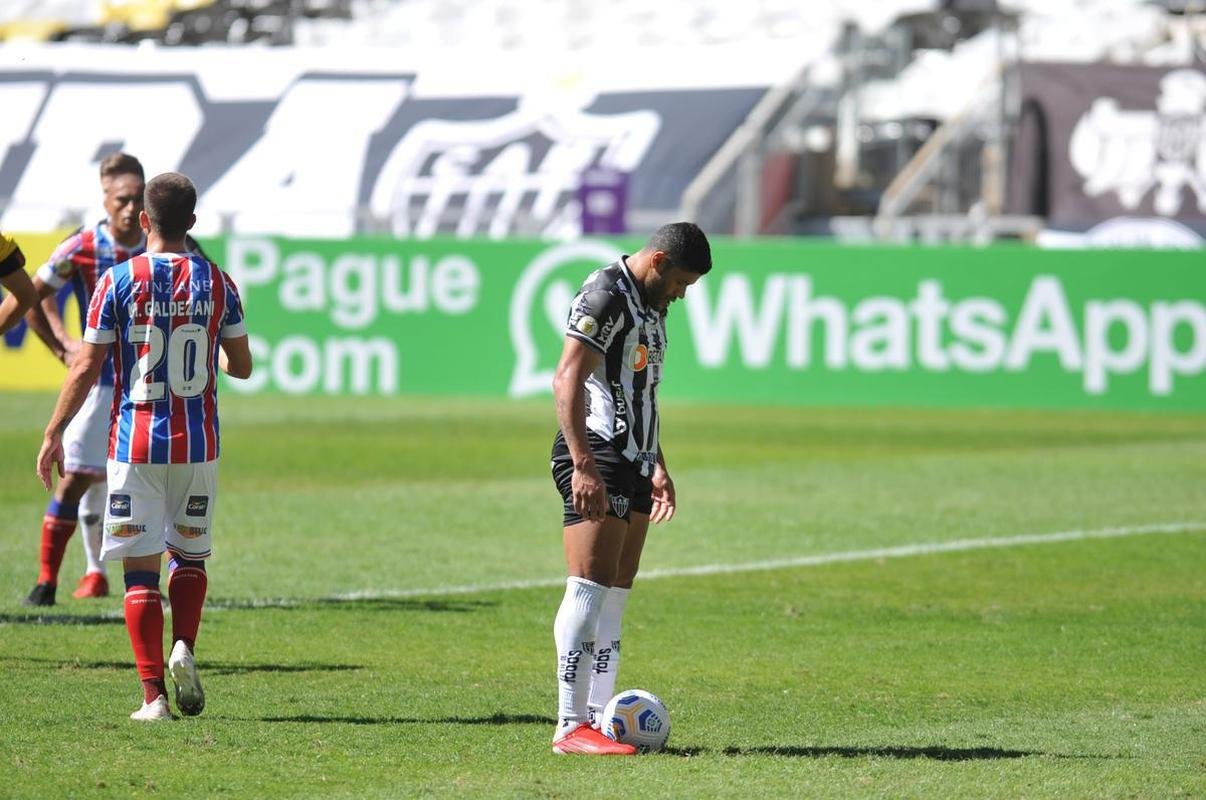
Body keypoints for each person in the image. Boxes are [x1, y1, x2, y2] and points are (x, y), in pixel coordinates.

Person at [36, 171, 252, 722]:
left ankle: (153, 697)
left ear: (147, 222)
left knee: (139, 572)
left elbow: (86, 366)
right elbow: (242, 365)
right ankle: (185, 646)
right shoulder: (220, 282)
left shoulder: (116, 280)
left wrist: (54, 429)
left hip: (135, 445)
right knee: (191, 554)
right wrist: (212, 353)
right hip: (198, 445)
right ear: (194, 222)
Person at [548, 221, 711, 755]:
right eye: (682, 282)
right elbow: (568, 377)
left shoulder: (652, 304)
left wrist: (657, 462)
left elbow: (640, 389)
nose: (683, 295)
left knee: (617, 589)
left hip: (636, 459)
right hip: (597, 452)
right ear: (659, 261)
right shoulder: (605, 295)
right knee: (589, 585)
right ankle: (570, 726)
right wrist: (582, 465)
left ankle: (599, 713)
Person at [23, 153, 208, 605]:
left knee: (156, 487)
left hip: (153, 392)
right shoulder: (83, 246)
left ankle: (142, 581)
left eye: (134, 198)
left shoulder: (175, 245)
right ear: (106, 201)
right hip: (103, 383)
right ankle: (48, 580)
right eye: (121, 199)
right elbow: (33, 296)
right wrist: (62, 343)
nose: (128, 208)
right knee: (77, 479)